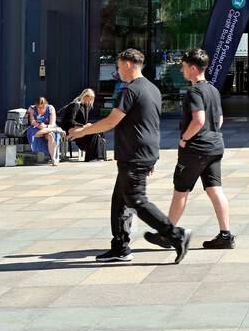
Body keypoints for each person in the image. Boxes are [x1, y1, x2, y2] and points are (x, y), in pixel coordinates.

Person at [68, 47, 190, 264]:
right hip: (142, 151)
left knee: (136, 200)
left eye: (118, 67)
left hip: (133, 154)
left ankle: (175, 234)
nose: (117, 72)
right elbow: (149, 123)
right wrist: (152, 156)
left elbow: (111, 121)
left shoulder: (130, 90)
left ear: (127, 64)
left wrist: (82, 131)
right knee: (120, 200)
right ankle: (120, 247)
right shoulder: (152, 89)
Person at [144, 47, 235, 251]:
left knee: (181, 190)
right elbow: (219, 119)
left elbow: (199, 120)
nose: (182, 70)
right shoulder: (213, 90)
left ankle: (168, 235)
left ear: (193, 68)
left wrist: (185, 139)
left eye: (184, 67)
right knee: (215, 189)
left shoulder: (194, 91)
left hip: (196, 149)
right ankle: (225, 234)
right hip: (215, 145)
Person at [60, 89, 106, 161]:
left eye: (92, 98)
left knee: (99, 131)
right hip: (70, 128)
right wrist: (83, 126)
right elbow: (69, 120)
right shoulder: (75, 105)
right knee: (92, 133)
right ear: (85, 96)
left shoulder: (85, 106)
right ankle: (92, 157)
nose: (91, 100)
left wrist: (86, 125)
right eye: (90, 98)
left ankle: (100, 156)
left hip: (80, 127)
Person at [26, 96, 62, 165]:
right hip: (36, 129)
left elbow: (52, 123)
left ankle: (53, 159)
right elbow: (32, 122)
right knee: (37, 134)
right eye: (39, 107)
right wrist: (39, 126)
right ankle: (57, 130)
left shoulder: (50, 108)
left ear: (46, 105)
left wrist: (46, 126)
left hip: (48, 127)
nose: (41, 109)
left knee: (51, 135)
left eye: (43, 107)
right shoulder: (32, 109)